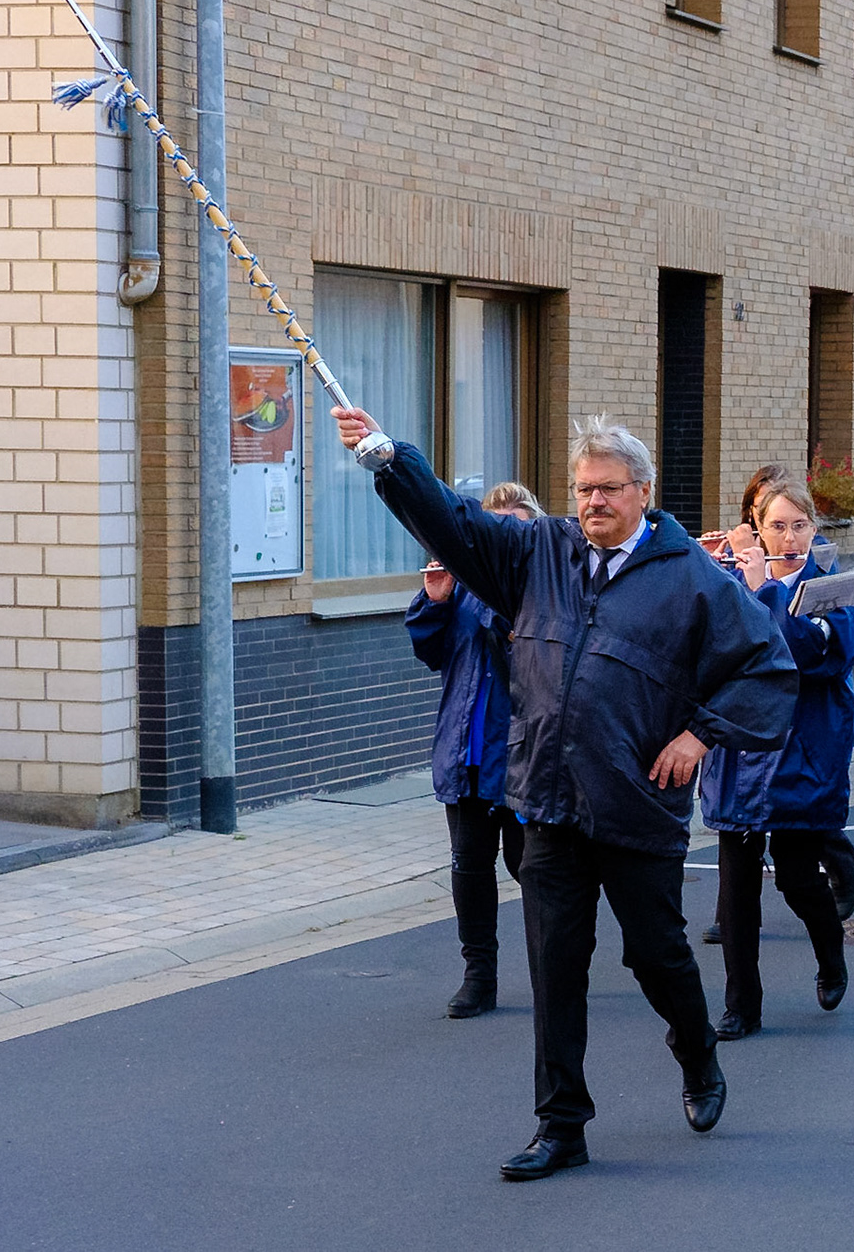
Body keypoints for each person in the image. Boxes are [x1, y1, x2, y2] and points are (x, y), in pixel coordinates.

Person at [333, 406, 798, 1182]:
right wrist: (392, 460)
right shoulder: (541, 552)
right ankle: (561, 1125)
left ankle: (697, 1050)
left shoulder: (692, 580)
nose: (591, 503)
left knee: (655, 953)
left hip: (634, 803)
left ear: (643, 491)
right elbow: (457, 528)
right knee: (555, 965)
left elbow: (768, 668)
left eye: (607, 489)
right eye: (581, 489)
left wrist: (700, 735)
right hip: (547, 798)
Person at [700, 481, 854, 1040]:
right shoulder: (731, 584)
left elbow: (805, 655)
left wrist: (763, 588)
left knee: (797, 880)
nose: (788, 538)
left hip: (801, 754)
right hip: (739, 751)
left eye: (799, 526)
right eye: (776, 526)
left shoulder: (832, 591)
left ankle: (831, 951)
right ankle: (742, 1004)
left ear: (814, 531)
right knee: (736, 891)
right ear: (756, 528)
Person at [406, 481, 544, 1019]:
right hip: (466, 748)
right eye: (496, 529)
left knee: (529, 866)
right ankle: (478, 974)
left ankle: (553, 965)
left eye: (516, 529)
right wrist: (434, 602)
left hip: (524, 752)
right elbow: (432, 653)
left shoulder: (544, 588)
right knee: (469, 865)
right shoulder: (461, 584)